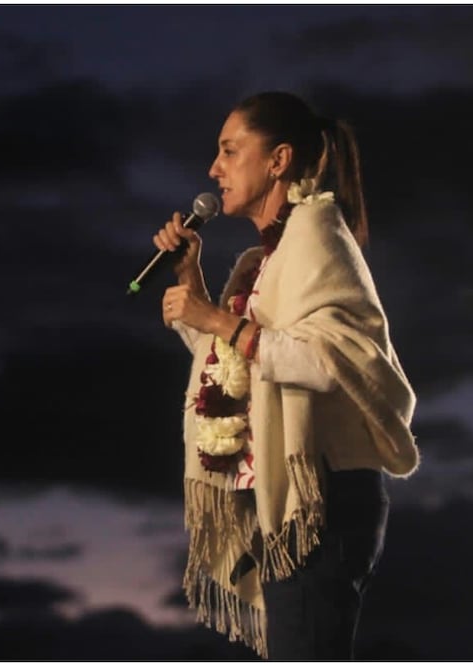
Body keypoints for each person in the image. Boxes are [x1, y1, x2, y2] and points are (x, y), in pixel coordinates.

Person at [152, 91, 419, 660]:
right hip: (289, 503)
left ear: (277, 161)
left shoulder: (316, 234)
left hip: (322, 498)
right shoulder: (268, 258)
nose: (213, 168)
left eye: (229, 150)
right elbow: (243, 360)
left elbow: (331, 361)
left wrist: (215, 316)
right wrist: (194, 289)